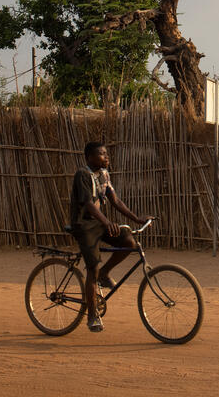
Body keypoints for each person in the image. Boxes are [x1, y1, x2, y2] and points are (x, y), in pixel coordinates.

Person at [69, 140, 150, 333]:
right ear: (89, 157)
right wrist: (106, 222)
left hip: (99, 223)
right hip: (84, 225)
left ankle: (105, 274)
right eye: (102, 154)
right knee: (92, 269)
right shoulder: (83, 175)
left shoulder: (104, 175)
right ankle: (92, 316)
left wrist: (136, 219)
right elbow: (88, 204)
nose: (106, 157)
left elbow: (115, 200)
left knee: (129, 241)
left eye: (106, 153)